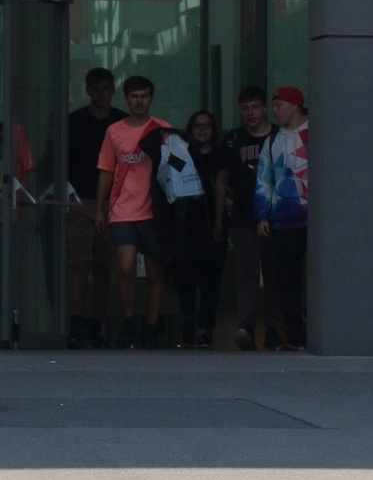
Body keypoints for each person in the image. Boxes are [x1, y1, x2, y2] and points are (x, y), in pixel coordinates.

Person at [95, 75, 173, 349]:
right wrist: (100, 209)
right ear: (126, 99)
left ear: (150, 98)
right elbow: (106, 170)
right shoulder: (114, 131)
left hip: (154, 211)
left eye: (144, 96)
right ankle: (130, 322)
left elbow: (177, 165)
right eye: (134, 96)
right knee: (125, 266)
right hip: (123, 209)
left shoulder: (162, 128)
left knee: (155, 272)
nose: (139, 101)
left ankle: (151, 327)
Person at [144, 111, 230, 349]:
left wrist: (219, 220)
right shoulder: (177, 150)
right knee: (184, 278)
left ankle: (205, 329)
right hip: (182, 226)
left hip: (210, 223)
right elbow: (149, 147)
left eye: (207, 126)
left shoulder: (220, 153)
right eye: (197, 125)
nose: (202, 130)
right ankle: (189, 319)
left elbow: (221, 186)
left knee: (211, 280)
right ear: (190, 129)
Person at [66, 68, 121, 349]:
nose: (100, 94)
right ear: (88, 91)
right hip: (80, 200)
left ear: (112, 90)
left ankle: (96, 327)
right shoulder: (74, 122)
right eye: (96, 89)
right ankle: (75, 325)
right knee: (80, 263)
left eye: (105, 89)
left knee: (104, 266)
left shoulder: (121, 123)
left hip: (113, 203)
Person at [224, 87, 281, 351]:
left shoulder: (279, 137)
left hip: (276, 218)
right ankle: (246, 326)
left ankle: (273, 328)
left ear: (265, 108)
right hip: (243, 217)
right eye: (246, 108)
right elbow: (222, 178)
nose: (251, 113)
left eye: (255, 107)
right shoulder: (234, 139)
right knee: (246, 273)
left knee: (273, 274)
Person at [254, 86, 309, 350]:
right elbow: (264, 180)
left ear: (294, 106)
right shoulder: (272, 140)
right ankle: (296, 336)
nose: (274, 111)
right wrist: (262, 214)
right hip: (283, 222)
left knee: (312, 280)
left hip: (312, 222)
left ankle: (313, 332)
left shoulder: (314, 134)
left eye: (279, 105)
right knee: (287, 281)